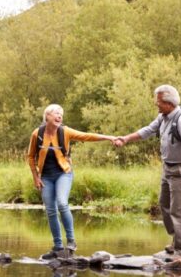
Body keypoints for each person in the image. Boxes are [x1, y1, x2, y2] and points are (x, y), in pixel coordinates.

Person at [114, 85, 181, 264]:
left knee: (179, 210)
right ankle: (177, 240)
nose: (156, 104)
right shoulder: (163, 117)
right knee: (164, 205)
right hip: (167, 169)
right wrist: (126, 138)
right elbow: (147, 130)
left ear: (169, 103)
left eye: (159, 101)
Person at [26, 104, 117, 259]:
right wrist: (36, 177)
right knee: (50, 210)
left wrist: (109, 137)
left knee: (62, 203)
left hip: (64, 174)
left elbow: (86, 136)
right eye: (56, 113)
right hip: (46, 177)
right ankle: (58, 246)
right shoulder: (37, 134)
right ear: (47, 116)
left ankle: (71, 241)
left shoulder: (65, 131)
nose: (60, 116)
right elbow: (30, 156)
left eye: (61, 114)